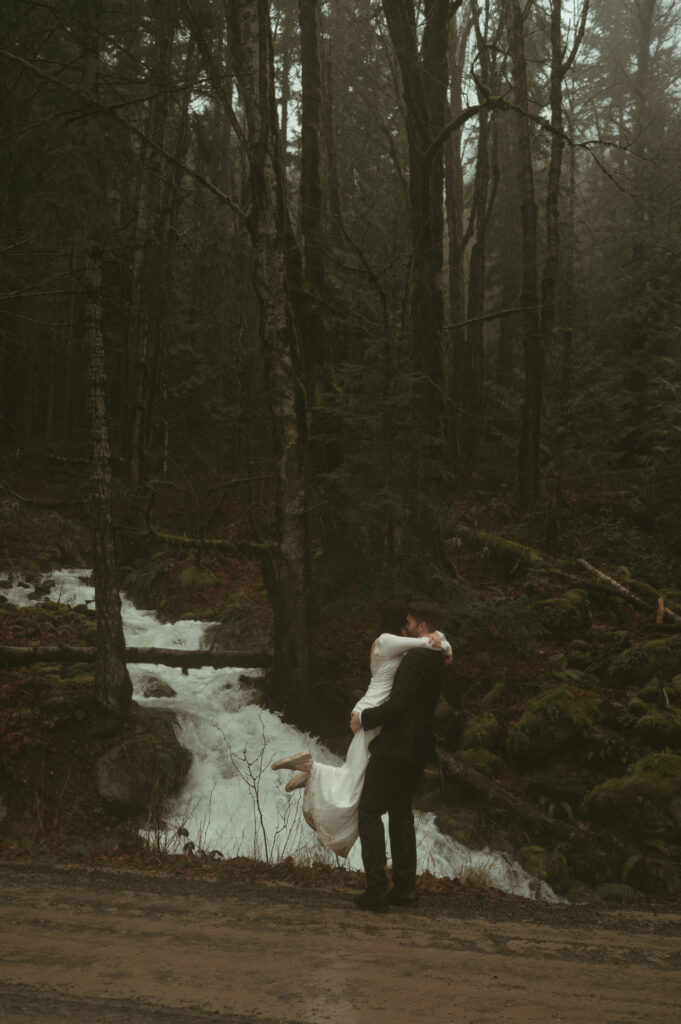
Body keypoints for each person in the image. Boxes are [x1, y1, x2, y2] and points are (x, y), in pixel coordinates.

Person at [271, 601, 451, 862]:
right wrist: (440, 642)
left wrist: (441, 641)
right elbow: (424, 644)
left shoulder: (405, 650)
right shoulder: (386, 641)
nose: (410, 628)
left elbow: (424, 646)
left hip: (377, 720)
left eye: (413, 623)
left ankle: (313, 771)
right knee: (358, 785)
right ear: (401, 625)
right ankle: (313, 772)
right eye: (408, 623)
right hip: (369, 717)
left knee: (357, 780)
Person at [350, 600, 447, 913]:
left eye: (409, 622)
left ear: (420, 626)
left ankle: (377, 890)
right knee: (401, 813)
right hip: (419, 747)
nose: (405, 626)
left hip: (397, 747)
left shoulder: (416, 657)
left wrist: (364, 720)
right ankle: (405, 888)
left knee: (368, 811)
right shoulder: (436, 656)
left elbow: (400, 705)